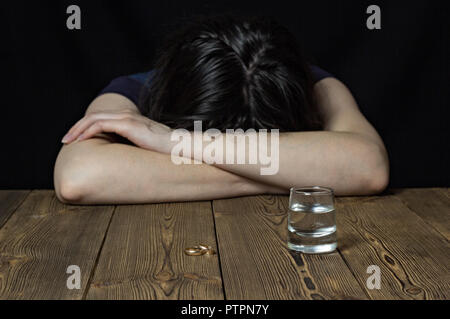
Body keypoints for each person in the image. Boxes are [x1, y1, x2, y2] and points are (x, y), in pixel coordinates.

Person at [54, 15, 389, 204]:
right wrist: (286, 173)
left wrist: (176, 143)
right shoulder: (131, 92)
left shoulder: (320, 88)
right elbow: (76, 177)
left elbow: (369, 166)